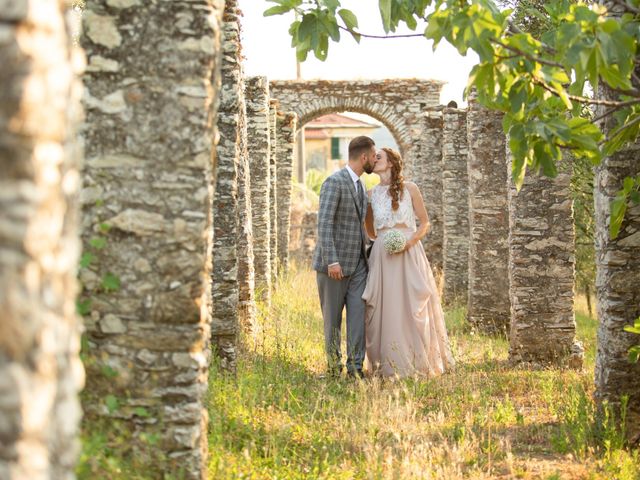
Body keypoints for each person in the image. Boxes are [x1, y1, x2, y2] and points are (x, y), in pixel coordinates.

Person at [362, 147, 455, 378]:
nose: (374, 159)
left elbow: (424, 223)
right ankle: (387, 364)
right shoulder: (371, 194)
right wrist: (384, 242)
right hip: (383, 258)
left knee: (413, 304)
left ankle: (417, 362)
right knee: (383, 306)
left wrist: (407, 242)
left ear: (391, 162)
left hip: (409, 252)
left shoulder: (411, 188)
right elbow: (370, 228)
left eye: (378, 157)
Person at [313, 136, 377, 379]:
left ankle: (355, 368)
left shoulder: (360, 186)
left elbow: (361, 226)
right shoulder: (334, 182)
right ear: (363, 157)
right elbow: (324, 223)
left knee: (357, 317)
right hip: (333, 266)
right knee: (332, 320)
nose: (374, 160)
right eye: (373, 156)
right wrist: (332, 260)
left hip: (359, 265)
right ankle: (332, 369)